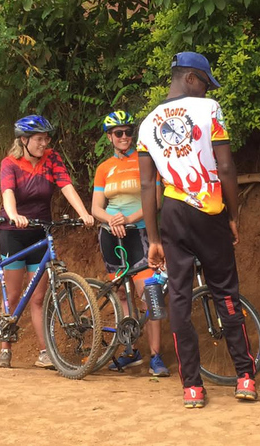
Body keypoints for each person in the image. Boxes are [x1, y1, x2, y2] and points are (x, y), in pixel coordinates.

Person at [137, 52, 257, 408]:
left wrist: (154, 238)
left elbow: (147, 187)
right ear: (190, 78)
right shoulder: (210, 110)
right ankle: (245, 377)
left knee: (179, 297)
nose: (207, 90)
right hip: (209, 209)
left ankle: (192, 386)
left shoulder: (148, 123)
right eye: (205, 83)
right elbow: (225, 166)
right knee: (225, 291)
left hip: (172, 214)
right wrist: (234, 216)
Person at [0, 114, 95, 369]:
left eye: (46, 138)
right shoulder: (10, 163)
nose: (44, 143)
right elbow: (8, 193)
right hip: (14, 232)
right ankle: (5, 348)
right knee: (15, 295)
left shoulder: (52, 158)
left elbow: (66, 186)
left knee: (39, 298)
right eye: (39, 139)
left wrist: (83, 213)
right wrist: (14, 215)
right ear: (24, 140)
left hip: (40, 230)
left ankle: (44, 352)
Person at [91, 111, 170, 377]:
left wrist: (130, 219)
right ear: (109, 137)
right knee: (122, 295)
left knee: (150, 294)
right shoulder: (104, 168)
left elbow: (156, 202)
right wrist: (112, 220)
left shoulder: (146, 160)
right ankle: (130, 351)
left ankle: (156, 356)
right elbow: (95, 208)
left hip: (139, 233)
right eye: (118, 133)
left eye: (128, 132)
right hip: (111, 235)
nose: (124, 137)